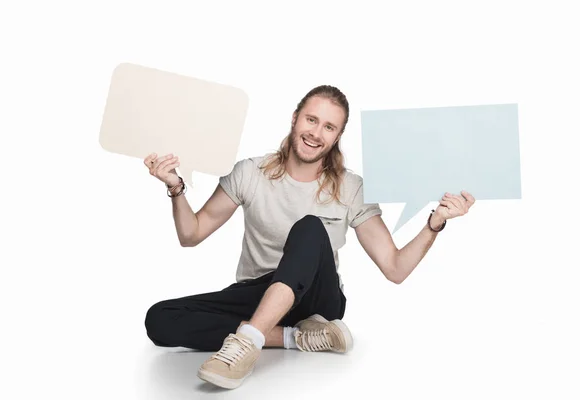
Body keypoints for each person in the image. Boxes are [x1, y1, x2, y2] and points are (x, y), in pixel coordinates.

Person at [142, 85, 475, 389]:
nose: (316, 133)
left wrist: (434, 223)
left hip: (317, 300)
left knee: (310, 228)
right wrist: (176, 188)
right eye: (311, 120)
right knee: (160, 319)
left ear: (337, 136)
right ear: (294, 119)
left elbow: (395, 268)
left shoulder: (351, 188)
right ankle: (296, 338)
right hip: (257, 293)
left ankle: (247, 343)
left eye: (328, 127)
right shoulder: (249, 173)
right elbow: (191, 234)